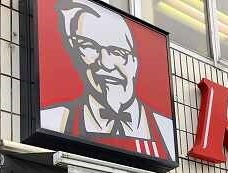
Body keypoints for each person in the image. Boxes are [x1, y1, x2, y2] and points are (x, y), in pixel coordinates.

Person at [41, 0, 175, 162]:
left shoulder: (164, 129)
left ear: (135, 62)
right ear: (77, 55)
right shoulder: (55, 120)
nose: (105, 63)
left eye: (118, 52)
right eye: (90, 47)